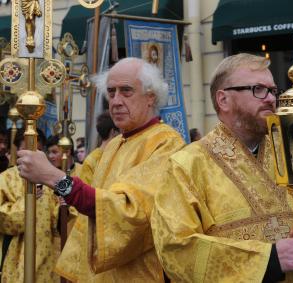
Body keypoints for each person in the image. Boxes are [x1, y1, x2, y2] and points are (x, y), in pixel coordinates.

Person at [151, 53, 293, 282]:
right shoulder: (186, 166)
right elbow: (176, 246)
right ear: (223, 100)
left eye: (273, 90)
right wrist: (271, 259)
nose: (271, 99)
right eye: (258, 89)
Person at [16, 57, 185, 281]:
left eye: (126, 91)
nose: (115, 101)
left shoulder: (166, 144)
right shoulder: (115, 144)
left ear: (150, 97)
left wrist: (54, 177)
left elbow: (128, 212)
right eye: (111, 92)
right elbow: (86, 205)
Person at [0, 129, 76, 282]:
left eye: (38, 150)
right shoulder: (5, 178)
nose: (31, 155)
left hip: (48, 252)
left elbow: (57, 219)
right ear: (18, 150)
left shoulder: (48, 177)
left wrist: (63, 208)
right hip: (18, 254)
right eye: (26, 149)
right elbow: (3, 219)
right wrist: (28, 201)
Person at [79, 111, 119, 185]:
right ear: (113, 132)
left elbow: (84, 189)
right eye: (119, 132)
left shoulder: (90, 159)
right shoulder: (119, 155)